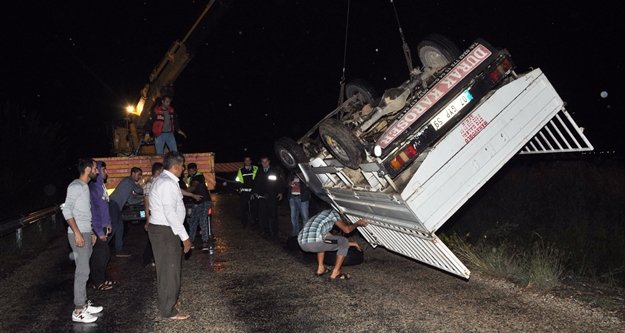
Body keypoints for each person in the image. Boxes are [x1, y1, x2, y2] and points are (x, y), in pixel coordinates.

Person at [147, 151, 192, 320]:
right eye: (182, 166)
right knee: (169, 271)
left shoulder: (165, 180)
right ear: (175, 167)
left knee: (167, 269)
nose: (183, 169)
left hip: (165, 230)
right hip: (165, 231)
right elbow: (170, 214)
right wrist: (185, 237)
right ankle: (168, 310)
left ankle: (169, 301)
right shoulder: (167, 183)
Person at [62, 158, 104, 323]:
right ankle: (78, 310)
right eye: (95, 168)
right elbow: (67, 212)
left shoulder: (84, 186)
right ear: (87, 169)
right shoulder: (75, 186)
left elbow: (84, 213)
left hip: (85, 231)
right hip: (78, 233)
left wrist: (91, 231)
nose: (97, 171)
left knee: (85, 269)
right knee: (83, 271)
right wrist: (78, 233)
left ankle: (84, 304)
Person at [298, 209, 368, 280]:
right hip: (315, 243)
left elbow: (330, 239)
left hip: (302, 243)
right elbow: (347, 230)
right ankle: (336, 272)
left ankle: (320, 268)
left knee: (323, 243)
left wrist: (352, 244)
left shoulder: (322, 216)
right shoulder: (333, 213)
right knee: (344, 241)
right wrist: (357, 224)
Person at [89, 161, 115, 290]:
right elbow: (93, 212)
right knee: (99, 256)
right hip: (97, 227)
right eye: (104, 170)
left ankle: (102, 279)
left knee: (105, 255)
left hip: (104, 226)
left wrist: (109, 223)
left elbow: (105, 208)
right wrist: (99, 231)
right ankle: (97, 282)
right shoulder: (93, 189)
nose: (105, 172)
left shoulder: (101, 187)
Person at [109, 167, 144, 257]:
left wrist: (143, 199)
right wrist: (147, 191)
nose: (140, 177)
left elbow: (131, 200)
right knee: (113, 227)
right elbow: (138, 190)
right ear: (132, 173)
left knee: (120, 228)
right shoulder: (128, 180)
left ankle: (119, 250)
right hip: (113, 205)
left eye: (140, 175)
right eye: (138, 174)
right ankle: (102, 247)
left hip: (116, 207)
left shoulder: (129, 185)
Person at [252, 156, 284, 238]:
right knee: (263, 215)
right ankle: (265, 231)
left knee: (273, 215)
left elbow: (279, 182)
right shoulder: (259, 171)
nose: (264, 163)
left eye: (266, 161)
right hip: (262, 197)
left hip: (272, 196)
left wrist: (280, 192)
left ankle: (274, 232)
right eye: (263, 162)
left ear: (269, 162)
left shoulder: (274, 171)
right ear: (261, 163)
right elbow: (255, 182)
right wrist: (254, 192)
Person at [186, 162, 212, 251]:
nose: (192, 172)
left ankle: (205, 242)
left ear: (196, 170)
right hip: (196, 202)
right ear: (188, 171)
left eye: (193, 170)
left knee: (202, 220)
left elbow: (193, 187)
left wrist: (180, 192)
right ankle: (190, 241)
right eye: (190, 171)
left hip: (205, 201)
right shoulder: (190, 178)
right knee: (193, 221)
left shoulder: (199, 176)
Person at [143, 162, 164, 267]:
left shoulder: (158, 182)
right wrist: (147, 220)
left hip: (160, 215)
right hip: (153, 215)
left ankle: (153, 260)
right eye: (162, 171)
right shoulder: (149, 184)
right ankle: (148, 260)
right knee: (153, 240)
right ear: (158, 171)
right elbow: (146, 203)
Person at [235, 156, 258, 228]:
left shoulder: (255, 169)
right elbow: (238, 181)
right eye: (246, 160)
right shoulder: (241, 170)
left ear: (251, 161)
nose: (247, 162)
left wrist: (254, 191)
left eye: (249, 160)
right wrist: (238, 189)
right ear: (244, 162)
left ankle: (253, 223)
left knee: (254, 208)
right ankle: (244, 224)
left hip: (253, 192)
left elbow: (257, 181)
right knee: (244, 209)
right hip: (244, 193)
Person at [287, 171, 310, 237]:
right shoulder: (291, 173)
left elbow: (309, 184)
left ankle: (305, 235)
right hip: (292, 198)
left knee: (305, 217)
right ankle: (295, 234)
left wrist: (300, 183)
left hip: (302, 198)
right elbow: (286, 183)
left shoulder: (305, 172)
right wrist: (290, 184)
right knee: (293, 217)